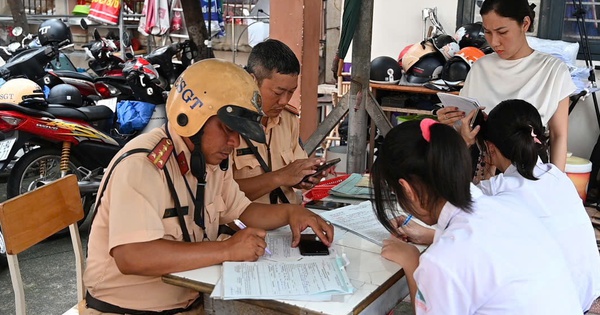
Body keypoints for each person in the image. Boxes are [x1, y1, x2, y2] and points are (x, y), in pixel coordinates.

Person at [83, 59, 334, 314]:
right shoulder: (142, 166)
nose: (234, 142)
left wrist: (293, 213)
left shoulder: (210, 162)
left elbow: (243, 211)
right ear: (193, 117)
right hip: (125, 310)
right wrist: (227, 249)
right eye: (227, 129)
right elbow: (132, 256)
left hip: (195, 302)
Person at [395, 101, 600, 312]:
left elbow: (458, 205)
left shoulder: (503, 191)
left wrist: (463, 144)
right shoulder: (557, 176)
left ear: (490, 149)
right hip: (578, 293)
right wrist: (430, 235)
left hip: (557, 294)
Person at [436, 0, 576, 171]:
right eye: (487, 32)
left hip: (527, 173)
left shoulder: (553, 70)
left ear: (525, 24)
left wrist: (556, 184)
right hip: (480, 169)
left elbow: (558, 135)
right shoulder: (480, 68)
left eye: (502, 32)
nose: (494, 42)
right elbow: (465, 127)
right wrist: (452, 124)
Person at [232, 39, 326, 205]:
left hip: (288, 221)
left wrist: (303, 177)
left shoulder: (288, 119)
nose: (284, 101)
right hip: (246, 227)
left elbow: (293, 171)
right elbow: (221, 193)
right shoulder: (229, 124)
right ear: (252, 81)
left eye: (291, 92)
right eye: (278, 92)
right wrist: (280, 177)